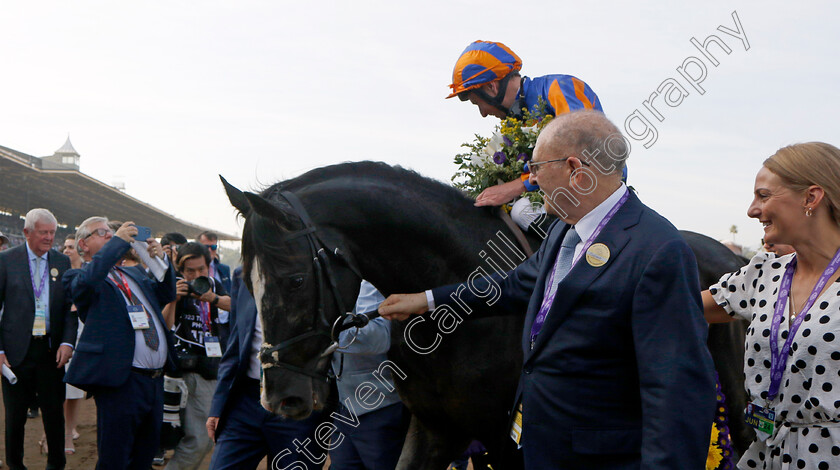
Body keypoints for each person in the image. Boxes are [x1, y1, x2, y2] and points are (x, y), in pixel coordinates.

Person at [380, 110, 716, 468]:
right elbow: (513, 286)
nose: (533, 179)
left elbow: (675, 388)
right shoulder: (563, 231)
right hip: (542, 449)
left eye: (537, 168)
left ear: (574, 169)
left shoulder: (657, 249)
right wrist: (428, 300)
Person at [702, 142, 840, 468]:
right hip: (765, 453)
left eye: (763, 196)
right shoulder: (766, 270)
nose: (752, 209)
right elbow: (678, 307)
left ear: (811, 197)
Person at [63, 217, 177, 469]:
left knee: (144, 456)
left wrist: (161, 262)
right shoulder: (78, 275)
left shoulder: (133, 272)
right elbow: (87, 283)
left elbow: (167, 294)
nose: (110, 235)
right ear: (83, 245)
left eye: (111, 232)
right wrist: (116, 242)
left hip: (154, 381)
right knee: (115, 458)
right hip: (121, 382)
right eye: (102, 233)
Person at [447, 40, 604, 210]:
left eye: (477, 104)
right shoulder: (512, 126)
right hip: (560, 199)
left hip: (597, 195)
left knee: (522, 211)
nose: (483, 114)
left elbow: (583, 151)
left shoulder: (558, 88)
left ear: (491, 87)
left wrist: (518, 186)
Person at [207, 267, 324, 470]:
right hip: (245, 403)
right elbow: (236, 345)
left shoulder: (316, 274)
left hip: (297, 404)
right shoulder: (242, 275)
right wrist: (218, 406)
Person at [0, 208, 76, 470]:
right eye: (43, 232)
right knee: (15, 417)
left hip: (51, 350)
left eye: (52, 233)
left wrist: (68, 342)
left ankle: (56, 465)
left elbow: (69, 309)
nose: (48, 238)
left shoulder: (61, 262)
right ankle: (15, 465)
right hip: (15, 353)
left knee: (54, 414)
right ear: (26, 232)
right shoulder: (6, 260)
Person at [162, 242, 231, 470]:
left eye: (201, 269)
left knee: (200, 439)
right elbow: (163, 327)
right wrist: (173, 298)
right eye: (190, 271)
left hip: (207, 369)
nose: (196, 275)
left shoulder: (212, 285)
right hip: (179, 372)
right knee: (195, 439)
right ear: (181, 270)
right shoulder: (170, 286)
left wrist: (213, 299)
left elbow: (236, 306)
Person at [329, 280, 409, 469]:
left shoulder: (369, 279)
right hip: (344, 407)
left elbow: (377, 338)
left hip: (381, 405)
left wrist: (321, 330)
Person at [61, 235, 84, 455]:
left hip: (83, 338)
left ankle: (69, 431)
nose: (67, 250)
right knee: (60, 391)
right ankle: (50, 435)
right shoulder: (57, 272)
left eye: (71, 247)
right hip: (62, 338)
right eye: (65, 247)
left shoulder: (89, 274)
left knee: (76, 392)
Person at [197, 231, 231, 346]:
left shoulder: (224, 269)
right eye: (206, 247)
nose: (210, 250)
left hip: (224, 323)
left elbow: (229, 294)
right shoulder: (194, 269)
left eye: (213, 247)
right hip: (202, 323)